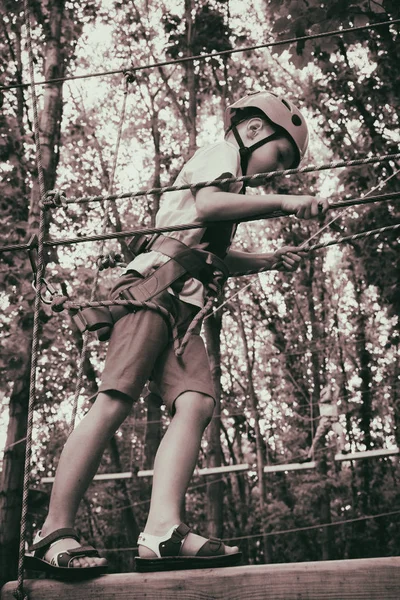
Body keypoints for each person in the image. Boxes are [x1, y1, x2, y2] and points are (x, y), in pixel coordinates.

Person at [25, 91, 329, 577]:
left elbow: (214, 256)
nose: (279, 172)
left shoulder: (237, 183)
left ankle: (163, 531)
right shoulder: (220, 155)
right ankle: (51, 532)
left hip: (181, 310)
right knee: (115, 399)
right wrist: (288, 204)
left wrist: (269, 260)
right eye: (280, 156)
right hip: (152, 288)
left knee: (197, 403)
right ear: (253, 132)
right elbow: (206, 205)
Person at [304, 382, 348, 461]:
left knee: (341, 432)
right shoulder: (321, 402)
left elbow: (337, 389)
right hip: (324, 421)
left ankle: (343, 449)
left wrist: (333, 384)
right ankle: (309, 456)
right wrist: (328, 387)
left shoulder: (333, 400)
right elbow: (327, 396)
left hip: (334, 421)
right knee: (316, 439)